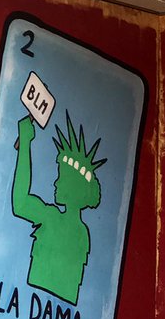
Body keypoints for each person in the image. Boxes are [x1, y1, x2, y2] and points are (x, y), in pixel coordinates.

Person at [11, 112, 106, 305]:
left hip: (38, 309)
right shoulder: (83, 233)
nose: (55, 183)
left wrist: (26, 142)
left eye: (60, 177)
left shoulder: (53, 218)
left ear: (74, 189)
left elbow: (20, 202)